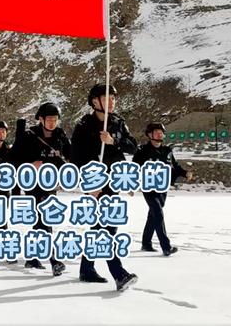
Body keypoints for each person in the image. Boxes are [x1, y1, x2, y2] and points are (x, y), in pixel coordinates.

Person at [71, 83, 138, 291]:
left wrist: (113, 140)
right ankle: (119, 273)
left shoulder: (117, 122)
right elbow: (76, 158)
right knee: (108, 228)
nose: (111, 102)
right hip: (95, 183)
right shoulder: (84, 125)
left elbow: (132, 146)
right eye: (107, 98)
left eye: (113, 98)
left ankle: (86, 269)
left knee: (101, 227)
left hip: (114, 180)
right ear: (94, 101)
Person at [13, 102, 70, 277]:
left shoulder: (60, 136)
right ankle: (54, 260)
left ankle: (32, 257)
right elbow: (13, 159)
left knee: (41, 222)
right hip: (33, 185)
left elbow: (71, 155)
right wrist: (30, 164)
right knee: (45, 220)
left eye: (55, 119)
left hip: (51, 184)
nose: (52, 122)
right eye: (49, 119)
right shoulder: (29, 136)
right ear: (41, 119)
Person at [133, 122, 193, 256]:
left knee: (153, 215)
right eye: (156, 132)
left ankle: (146, 243)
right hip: (148, 187)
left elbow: (175, 166)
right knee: (158, 213)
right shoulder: (142, 151)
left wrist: (185, 173)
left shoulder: (167, 151)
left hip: (163, 187)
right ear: (149, 135)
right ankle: (166, 247)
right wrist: (131, 185)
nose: (159, 135)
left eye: (161, 133)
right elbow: (133, 169)